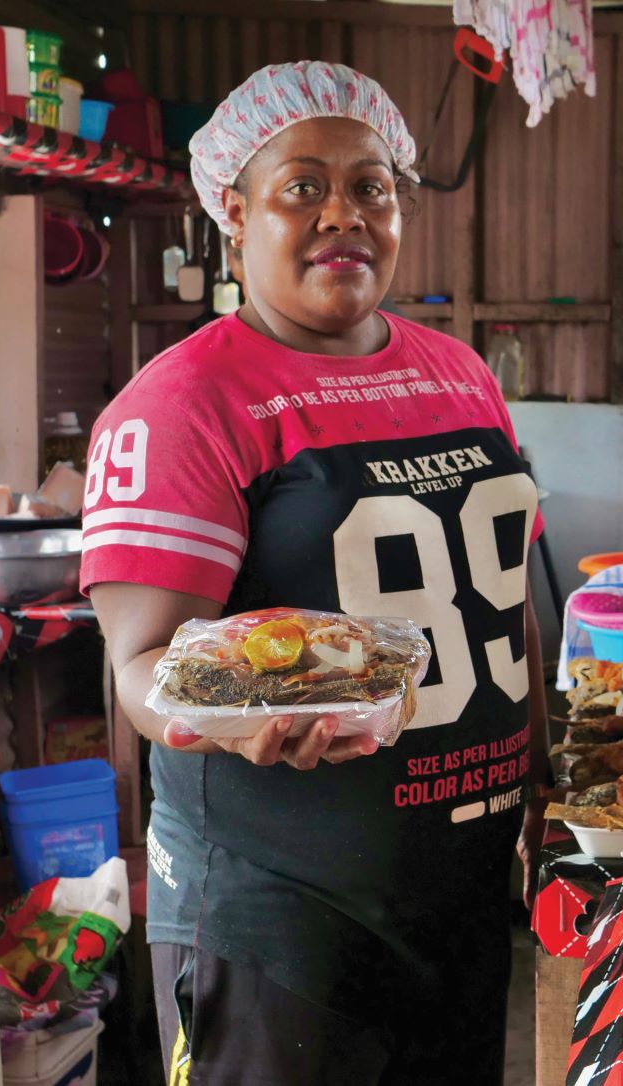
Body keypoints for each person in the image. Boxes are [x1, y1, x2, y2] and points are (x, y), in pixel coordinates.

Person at [79, 61, 549, 1086]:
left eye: (370, 186)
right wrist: (233, 720)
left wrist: (541, 776)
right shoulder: (187, 404)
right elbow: (139, 666)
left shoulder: (457, 373)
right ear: (235, 215)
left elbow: (504, 604)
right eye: (304, 186)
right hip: (282, 915)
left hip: (460, 894)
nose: (343, 213)